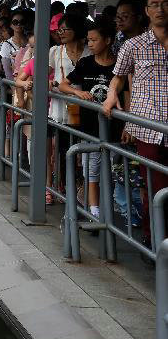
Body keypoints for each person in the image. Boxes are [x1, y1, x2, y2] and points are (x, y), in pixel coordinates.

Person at [103, 0, 168, 246]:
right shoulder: (134, 45)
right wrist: (110, 97)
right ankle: (155, 240)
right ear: (147, 11)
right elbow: (118, 77)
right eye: (154, 4)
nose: (160, 9)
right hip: (149, 128)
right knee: (155, 187)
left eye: (165, 3)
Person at [59, 19, 118, 219]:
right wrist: (80, 93)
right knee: (91, 171)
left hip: (114, 128)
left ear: (108, 40)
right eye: (89, 40)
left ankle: (108, 210)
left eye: (94, 40)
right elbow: (63, 85)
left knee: (111, 171)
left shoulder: (119, 65)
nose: (90, 44)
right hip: (90, 127)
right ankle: (95, 213)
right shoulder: (86, 63)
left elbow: (126, 95)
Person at [47, 13, 91, 204]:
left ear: (77, 30)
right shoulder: (55, 51)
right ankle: (68, 190)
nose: (61, 33)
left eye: (65, 29)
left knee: (85, 154)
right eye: (59, 30)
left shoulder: (90, 51)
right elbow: (46, 74)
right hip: (61, 109)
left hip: (87, 109)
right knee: (65, 151)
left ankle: (84, 193)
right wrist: (50, 83)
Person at [0, 9, 30, 80]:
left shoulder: (31, 41)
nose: (18, 24)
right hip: (15, 82)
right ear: (10, 25)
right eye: (15, 22)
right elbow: (7, 72)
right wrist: (14, 88)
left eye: (22, 22)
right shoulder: (6, 45)